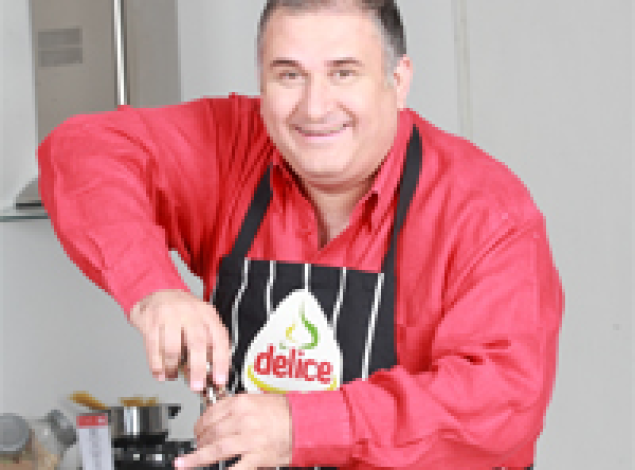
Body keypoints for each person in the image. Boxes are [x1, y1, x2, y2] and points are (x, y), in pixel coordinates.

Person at [37, 1, 563, 469]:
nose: (314, 107)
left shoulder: (483, 211)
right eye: (289, 75)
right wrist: (154, 290)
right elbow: (81, 153)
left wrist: (300, 427)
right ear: (262, 81)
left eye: (344, 73)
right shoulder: (234, 148)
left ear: (398, 80)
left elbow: (502, 399)